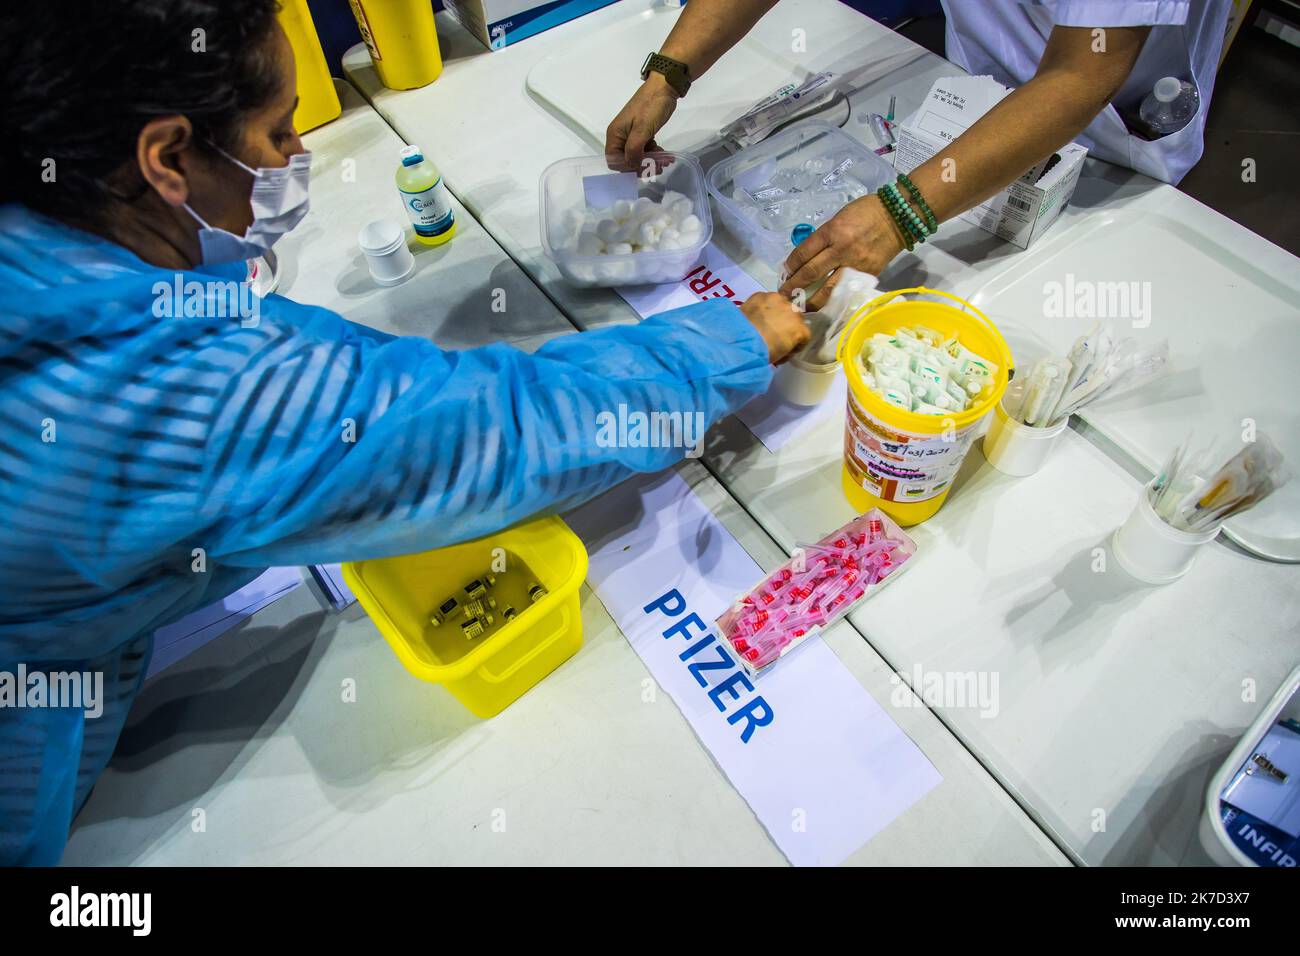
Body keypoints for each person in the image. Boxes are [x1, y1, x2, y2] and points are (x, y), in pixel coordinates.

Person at [0, 0, 809, 865]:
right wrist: (728, 345)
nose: (300, 156)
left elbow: (276, 364)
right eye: (277, 135)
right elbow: (497, 434)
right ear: (164, 159)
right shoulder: (168, 390)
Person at [607, 0, 1229, 307]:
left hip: (1103, 137)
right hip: (969, 94)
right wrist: (668, 73)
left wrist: (901, 212)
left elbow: (1080, 75)